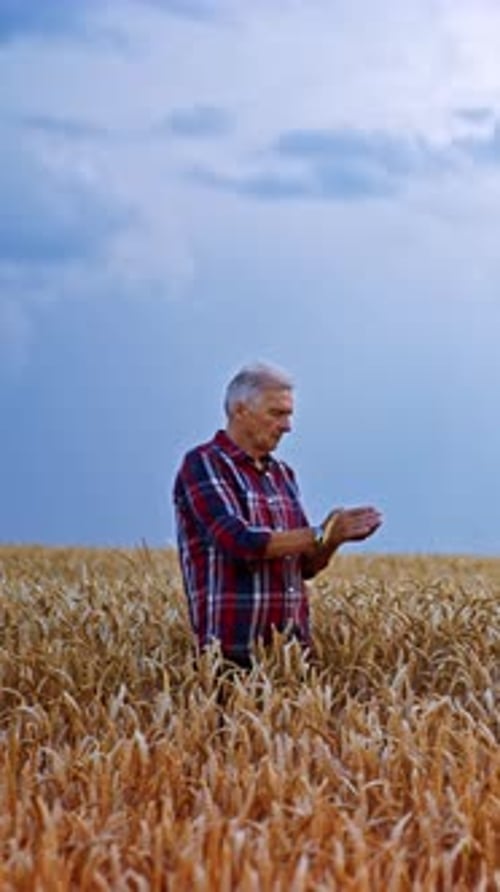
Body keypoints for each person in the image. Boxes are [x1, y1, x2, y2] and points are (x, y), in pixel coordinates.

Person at [173, 362, 382, 668]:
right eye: (277, 414)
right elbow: (238, 542)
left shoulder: (283, 475)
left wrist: (334, 539)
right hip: (230, 660)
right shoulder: (203, 464)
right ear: (240, 411)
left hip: (292, 659)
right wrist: (321, 532)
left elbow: (306, 565)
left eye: (289, 414)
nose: (288, 426)